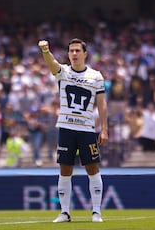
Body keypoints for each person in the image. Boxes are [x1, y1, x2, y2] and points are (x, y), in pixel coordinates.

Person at [38, 38, 108, 223]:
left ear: (85, 53)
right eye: (71, 51)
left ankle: (96, 212)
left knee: (92, 168)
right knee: (64, 169)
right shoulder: (63, 72)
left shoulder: (96, 76)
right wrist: (46, 51)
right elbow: (52, 64)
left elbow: (102, 104)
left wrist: (104, 129)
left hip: (86, 129)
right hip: (66, 128)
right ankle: (65, 212)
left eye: (77, 50)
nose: (74, 54)